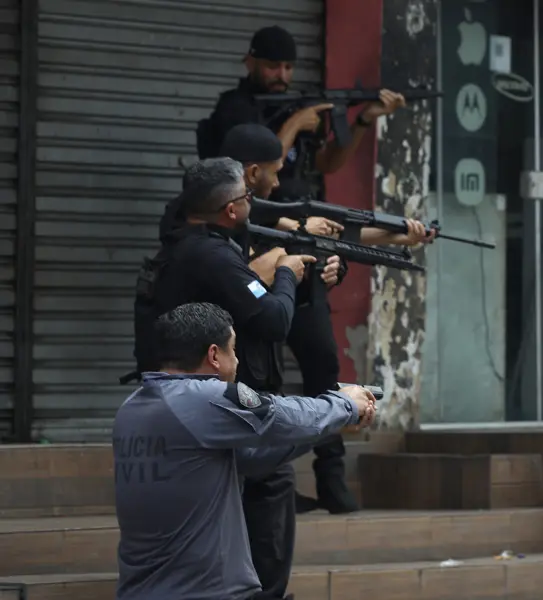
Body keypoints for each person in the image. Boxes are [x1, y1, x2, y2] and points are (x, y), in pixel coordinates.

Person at [198, 26, 433, 516]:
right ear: (250, 62)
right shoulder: (235, 115)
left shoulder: (297, 121)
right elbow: (239, 177)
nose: (281, 76)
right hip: (252, 250)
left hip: (301, 244)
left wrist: (363, 120)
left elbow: (328, 160)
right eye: (272, 66)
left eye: (288, 67)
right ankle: (262, 478)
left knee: (323, 363)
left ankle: (330, 478)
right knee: (256, 369)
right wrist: (292, 126)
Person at [132, 157, 309, 599]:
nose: (253, 202)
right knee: (270, 485)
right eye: (247, 197)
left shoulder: (180, 244)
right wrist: (287, 274)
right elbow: (272, 320)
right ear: (231, 209)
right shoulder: (211, 255)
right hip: (217, 406)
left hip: (175, 404)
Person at [114, 302, 377, 600]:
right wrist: (343, 404)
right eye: (234, 350)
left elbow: (248, 459)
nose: (237, 362)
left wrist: (329, 427)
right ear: (214, 355)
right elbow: (281, 414)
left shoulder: (133, 407)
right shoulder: (204, 397)